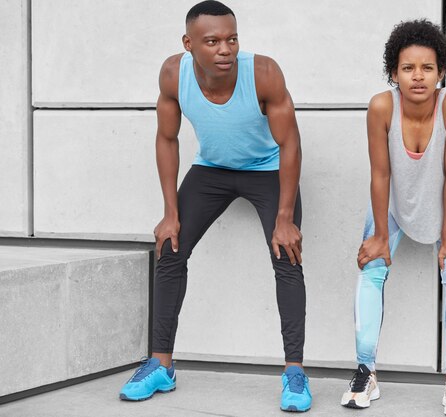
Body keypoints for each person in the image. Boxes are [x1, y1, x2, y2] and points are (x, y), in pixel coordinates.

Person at [118, 1, 312, 412]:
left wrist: (284, 219)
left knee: (286, 256)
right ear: (189, 44)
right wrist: (170, 212)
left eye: (232, 39)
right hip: (212, 170)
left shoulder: (263, 73)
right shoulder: (174, 74)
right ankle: (161, 366)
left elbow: (290, 142)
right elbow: (167, 139)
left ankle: (294, 372)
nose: (225, 49)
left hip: (268, 170)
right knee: (170, 248)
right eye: (212, 41)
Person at [339, 20, 446, 417]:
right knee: (370, 266)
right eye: (408, 68)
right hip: (394, 196)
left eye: (427, 68)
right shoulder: (382, 106)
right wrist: (380, 235)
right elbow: (380, 174)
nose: (418, 77)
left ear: (441, 72)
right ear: (393, 72)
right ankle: (366, 370)